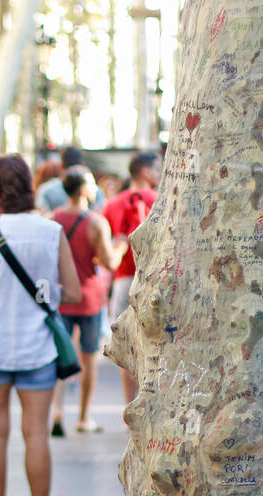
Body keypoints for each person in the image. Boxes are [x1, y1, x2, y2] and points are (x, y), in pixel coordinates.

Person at [0, 154, 80, 496]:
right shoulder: (51, 232)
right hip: (37, 349)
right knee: (36, 435)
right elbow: (76, 292)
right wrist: (46, 293)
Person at [51, 169, 118, 435]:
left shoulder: (52, 220)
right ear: (82, 190)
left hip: (60, 296)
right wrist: (122, 246)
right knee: (88, 358)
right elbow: (109, 262)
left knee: (60, 356)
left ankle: (57, 412)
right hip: (89, 297)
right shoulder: (95, 222)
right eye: (91, 185)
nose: (95, 190)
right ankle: (83, 417)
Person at [103, 151, 159, 406]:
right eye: (157, 169)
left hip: (123, 279)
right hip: (156, 278)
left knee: (126, 344)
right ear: (146, 173)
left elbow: (104, 250)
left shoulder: (112, 204)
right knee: (156, 343)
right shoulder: (162, 201)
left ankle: (130, 405)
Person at [37, 146, 106, 216]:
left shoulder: (46, 190)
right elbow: (98, 215)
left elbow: (43, 216)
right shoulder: (94, 189)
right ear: (83, 164)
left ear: (60, 166)